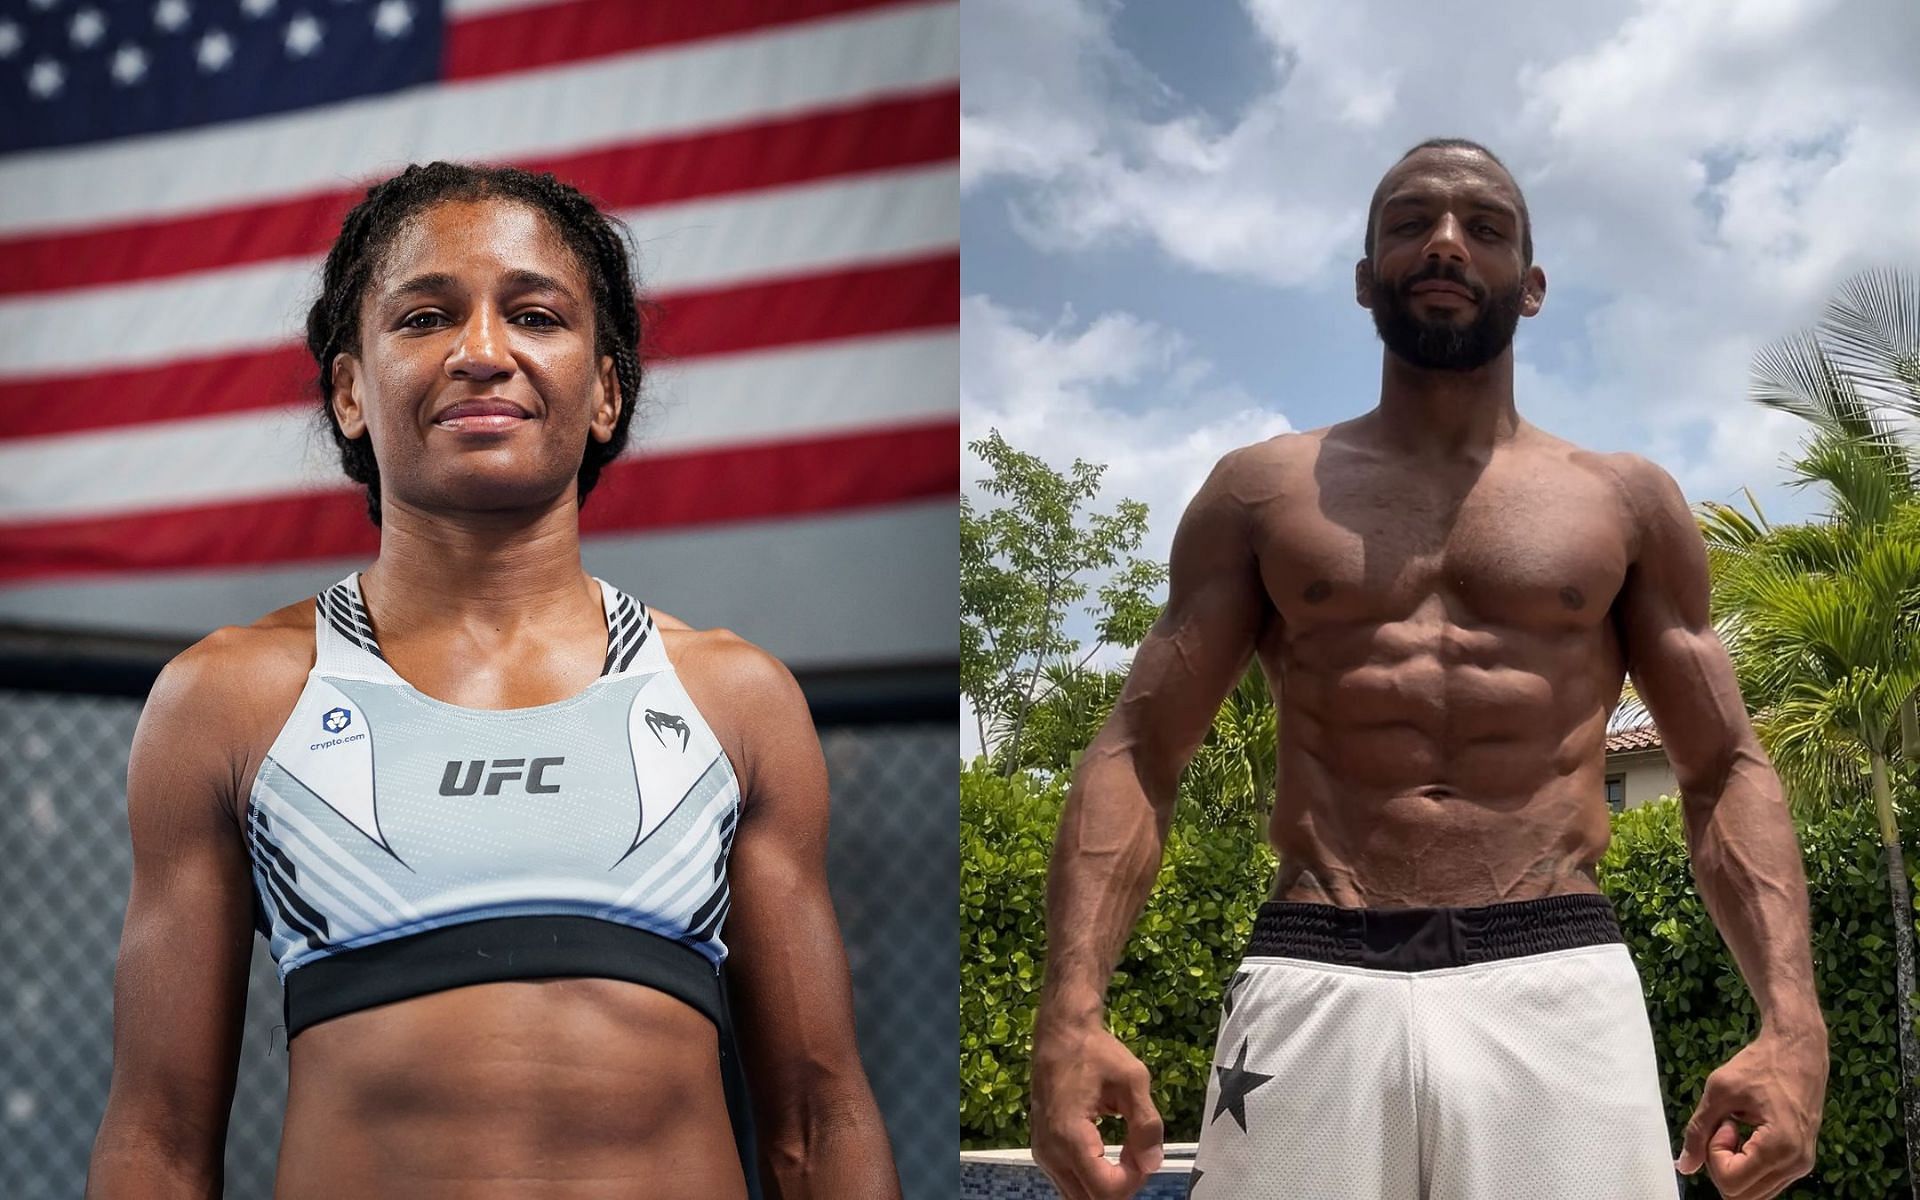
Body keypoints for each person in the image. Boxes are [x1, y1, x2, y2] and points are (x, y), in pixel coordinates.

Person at [1028, 139, 1828, 1200]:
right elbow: (1138, 750)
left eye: (1483, 226)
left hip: (1554, 978)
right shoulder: (1262, 493)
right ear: (1365, 277)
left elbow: (1724, 765)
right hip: (1314, 975)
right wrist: (1070, 1013)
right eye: (1410, 223)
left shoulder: (1625, 502)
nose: (1445, 242)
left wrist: (1793, 1022)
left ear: (1532, 286)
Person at [85, 162, 900, 1199]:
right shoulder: (230, 700)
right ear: (349, 391)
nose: (482, 352)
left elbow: (822, 1127)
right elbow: (155, 1141)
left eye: (535, 314)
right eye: (425, 317)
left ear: (606, 389)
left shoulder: (734, 699)